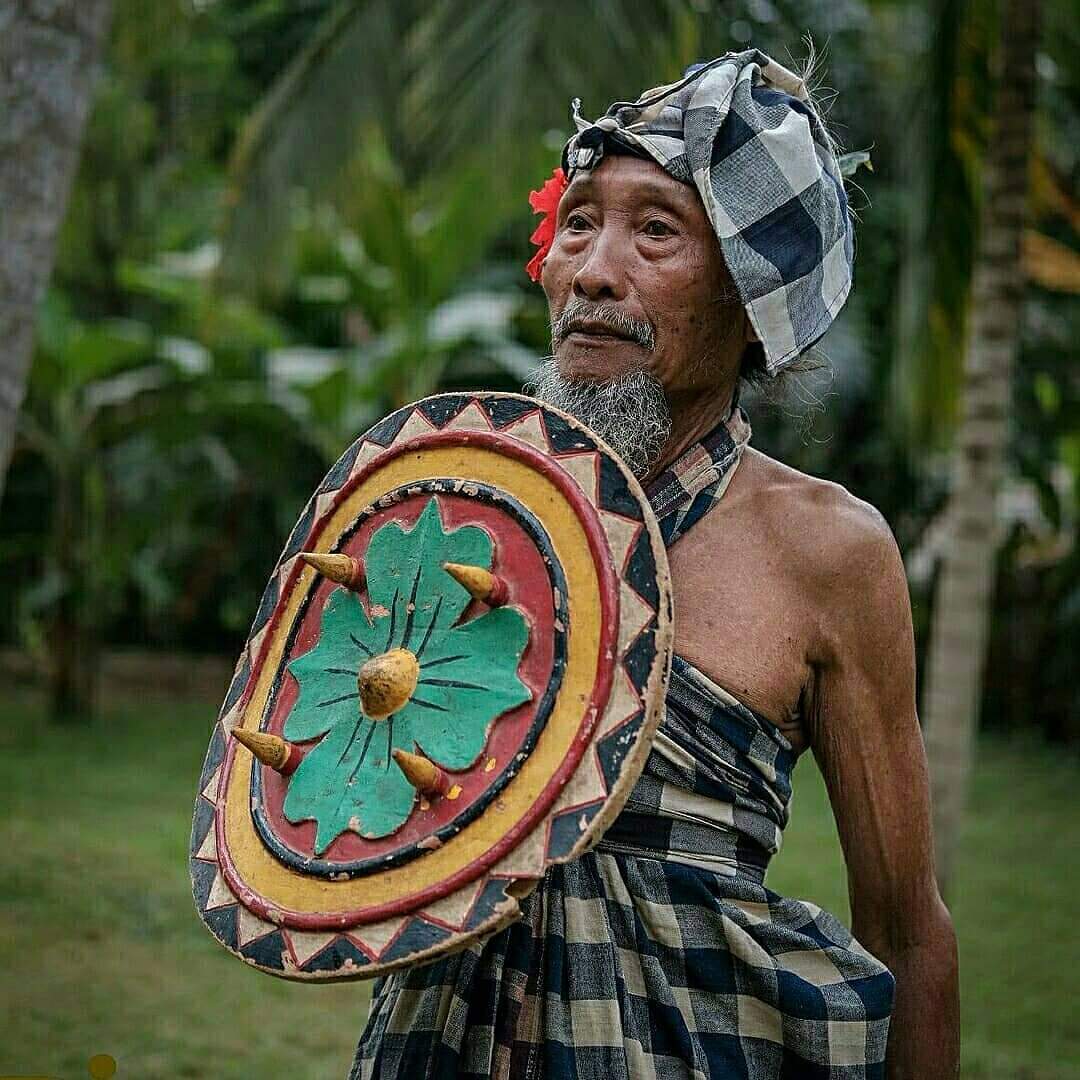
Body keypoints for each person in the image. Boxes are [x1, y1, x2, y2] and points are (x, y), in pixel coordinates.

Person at [352, 49, 958, 1079]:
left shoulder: (828, 552)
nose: (592, 269)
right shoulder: (462, 514)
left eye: (657, 230)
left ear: (752, 292)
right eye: (579, 220)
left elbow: (905, 934)